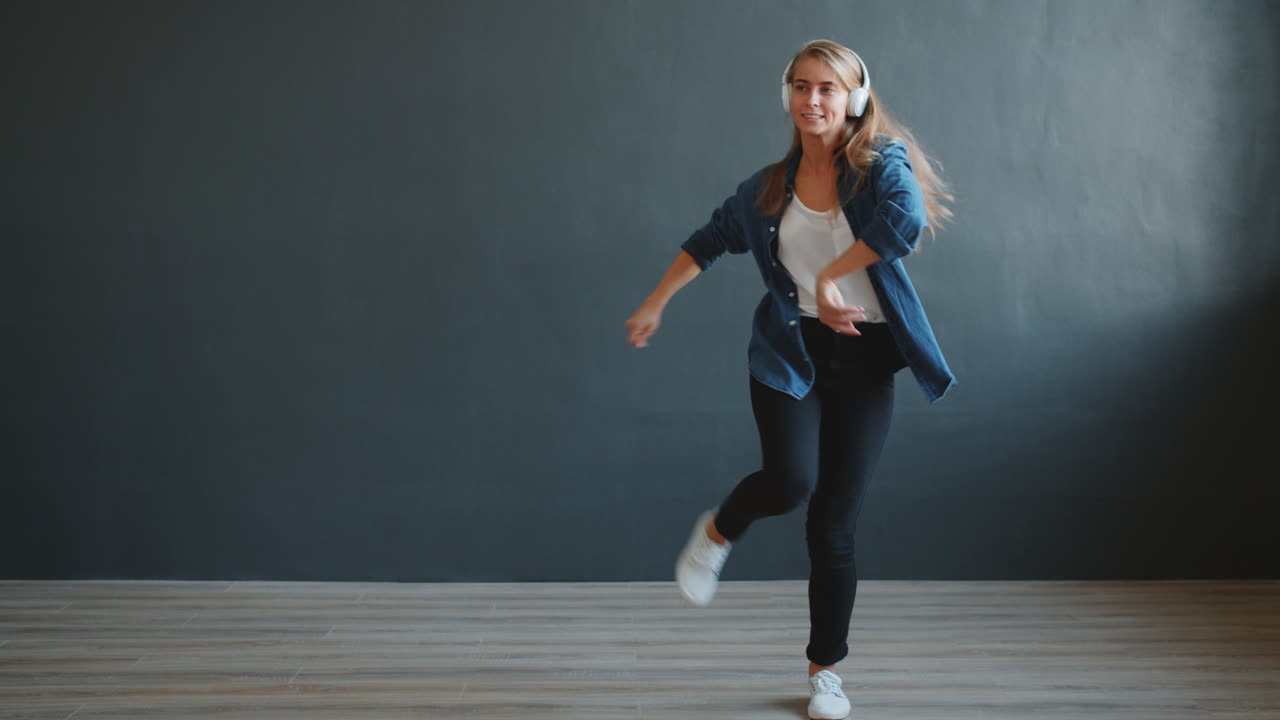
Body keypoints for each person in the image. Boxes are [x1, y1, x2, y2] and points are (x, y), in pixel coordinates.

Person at [624, 39, 956, 719]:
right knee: (790, 480)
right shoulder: (766, 189)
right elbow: (708, 241)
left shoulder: (880, 165)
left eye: (827, 88)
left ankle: (825, 672)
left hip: (865, 359)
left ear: (854, 98)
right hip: (790, 352)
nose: (813, 100)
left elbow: (906, 221)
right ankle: (718, 531)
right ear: (788, 95)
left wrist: (832, 275)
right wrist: (656, 302)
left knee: (834, 526)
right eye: (802, 86)